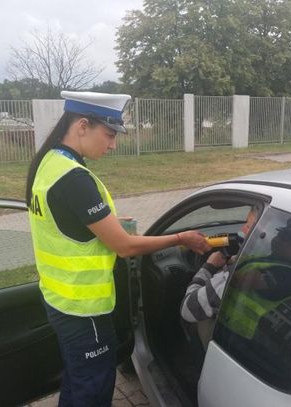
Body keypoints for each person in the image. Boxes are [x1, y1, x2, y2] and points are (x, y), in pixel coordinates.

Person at [26, 91, 210, 407]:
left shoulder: (49, 162)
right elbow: (125, 247)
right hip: (85, 311)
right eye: (109, 134)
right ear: (82, 125)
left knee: (77, 378)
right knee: (93, 391)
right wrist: (181, 239)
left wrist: (104, 221)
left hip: (59, 299)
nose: (112, 145)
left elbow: (65, 220)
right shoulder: (74, 178)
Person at [180, 206, 258, 346]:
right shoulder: (282, 270)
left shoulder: (241, 273)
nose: (242, 230)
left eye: (248, 226)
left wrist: (209, 267)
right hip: (248, 341)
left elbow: (188, 309)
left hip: (224, 342)